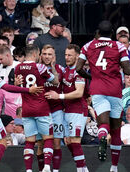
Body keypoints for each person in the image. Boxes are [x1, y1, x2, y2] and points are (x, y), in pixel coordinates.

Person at [76, 20, 130, 172]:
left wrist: (90, 76)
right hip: (114, 89)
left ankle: (101, 135)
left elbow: (78, 68)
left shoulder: (88, 46)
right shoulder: (119, 46)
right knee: (116, 130)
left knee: (103, 124)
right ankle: (114, 167)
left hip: (97, 88)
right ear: (112, 33)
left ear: (98, 33)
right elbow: (127, 71)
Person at [14, 44, 59, 172]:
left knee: (29, 141)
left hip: (27, 109)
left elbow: (16, 84)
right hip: (41, 108)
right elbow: (55, 81)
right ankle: (46, 166)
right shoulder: (40, 67)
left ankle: (28, 169)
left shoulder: (18, 67)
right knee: (48, 138)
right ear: (35, 54)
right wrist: (53, 67)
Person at [45, 44, 89, 172]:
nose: (67, 57)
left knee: (75, 141)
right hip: (67, 110)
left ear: (77, 56)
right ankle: (83, 167)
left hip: (78, 109)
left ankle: (82, 169)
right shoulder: (65, 70)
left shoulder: (79, 71)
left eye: (70, 55)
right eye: (65, 55)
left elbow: (79, 92)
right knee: (69, 141)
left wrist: (59, 96)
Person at [36, 44, 65, 172]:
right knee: (41, 144)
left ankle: (56, 170)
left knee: (56, 142)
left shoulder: (60, 69)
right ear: (41, 55)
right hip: (41, 111)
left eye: (50, 54)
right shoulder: (36, 69)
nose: (47, 57)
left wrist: (52, 67)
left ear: (54, 57)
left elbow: (58, 82)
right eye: (45, 54)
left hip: (57, 110)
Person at [0, 46, 21, 118]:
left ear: (7, 55)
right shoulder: (1, 67)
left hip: (19, 103)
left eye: (1, 59)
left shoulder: (19, 66)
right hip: (6, 104)